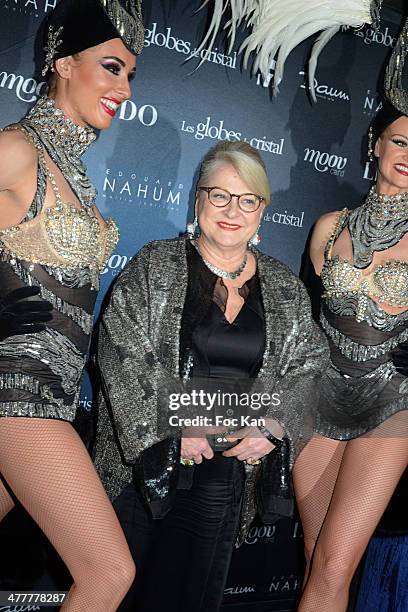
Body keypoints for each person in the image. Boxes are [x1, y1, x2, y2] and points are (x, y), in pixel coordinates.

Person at [93, 140, 329, 612]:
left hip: (226, 473)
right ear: (197, 198)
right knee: (117, 591)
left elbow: (312, 366)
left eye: (247, 200)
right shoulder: (154, 265)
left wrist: (274, 425)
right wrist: (175, 423)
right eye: (219, 195)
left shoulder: (284, 287)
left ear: (262, 210)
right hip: (143, 466)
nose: (232, 210)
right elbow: (120, 351)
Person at [0, 1, 144, 609]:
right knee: (109, 574)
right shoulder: (15, 150)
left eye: (131, 76)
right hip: (17, 398)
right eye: (111, 68)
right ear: (63, 64)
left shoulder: (73, 170)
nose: (124, 89)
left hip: (52, 399)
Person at [293, 22, 408, 612]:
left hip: (390, 405)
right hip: (319, 400)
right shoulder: (327, 229)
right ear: (375, 145)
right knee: (318, 565)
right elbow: (307, 326)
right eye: (400, 142)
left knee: (337, 566)